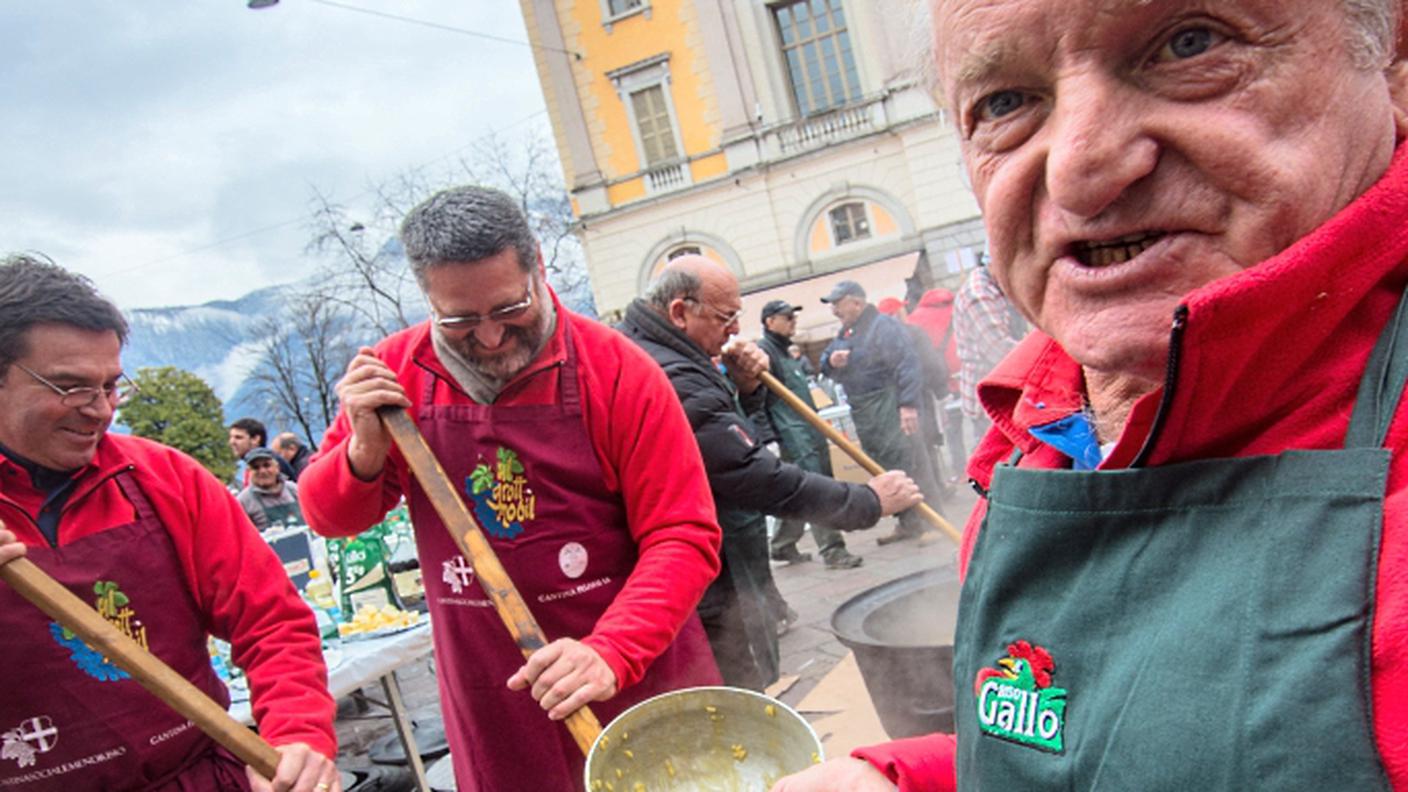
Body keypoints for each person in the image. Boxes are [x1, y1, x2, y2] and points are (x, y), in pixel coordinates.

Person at [773, 0, 1408, 789]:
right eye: (1005, 102)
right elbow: (1092, 740)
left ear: (1393, 54)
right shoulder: (1034, 423)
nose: (1078, 167)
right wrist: (904, 778)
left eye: (1189, 43)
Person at [297, 185, 723, 792]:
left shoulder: (618, 370)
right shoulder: (395, 378)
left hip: (632, 672)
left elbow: (684, 535)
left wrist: (611, 651)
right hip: (492, 692)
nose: (491, 338)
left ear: (537, 266)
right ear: (428, 296)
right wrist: (363, 451)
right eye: (461, 319)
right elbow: (329, 517)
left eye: (508, 309)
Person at [0, 255, 337, 792]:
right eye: (71, 387)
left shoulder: (163, 478)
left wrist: (298, 735)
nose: (101, 410)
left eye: (111, 386)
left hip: (196, 777)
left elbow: (272, 622)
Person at [618, 257, 921, 690]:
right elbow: (751, 472)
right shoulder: (670, 372)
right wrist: (866, 501)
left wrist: (744, 389)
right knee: (740, 683)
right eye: (726, 317)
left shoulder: (664, 352)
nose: (736, 330)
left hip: (715, 552)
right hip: (704, 565)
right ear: (680, 313)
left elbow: (732, 437)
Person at [820, 281, 944, 544]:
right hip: (865, 411)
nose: (834, 311)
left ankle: (934, 522)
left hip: (889, 404)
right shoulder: (846, 332)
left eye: (837, 304)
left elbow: (907, 365)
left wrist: (908, 405)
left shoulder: (883, 326)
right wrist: (831, 362)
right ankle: (908, 523)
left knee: (912, 461)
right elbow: (825, 361)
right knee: (885, 466)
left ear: (856, 302)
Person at [757, 299, 864, 570]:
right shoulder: (765, 353)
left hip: (805, 428)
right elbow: (762, 399)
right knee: (815, 488)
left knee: (794, 489)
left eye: (794, 316)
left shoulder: (784, 352)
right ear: (770, 322)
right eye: (787, 317)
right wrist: (771, 435)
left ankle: (782, 545)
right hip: (794, 432)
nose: (793, 322)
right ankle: (833, 550)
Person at [953, 263, 1024, 445]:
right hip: (989, 401)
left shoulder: (995, 284)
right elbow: (998, 350)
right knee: (1002, 461)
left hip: (1004, 391)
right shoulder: (979, 294)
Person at [908, 287, 969, 482]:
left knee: (952, 428)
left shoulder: (916, 318)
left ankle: (961, 471)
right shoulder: (961, 307)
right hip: (970, 376)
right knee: (981, 425)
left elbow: (922, 356)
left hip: (945, 383)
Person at [237, 447, 304, 530]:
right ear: (249, 472)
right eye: (256, 467)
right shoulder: (243, 501)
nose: (262, 471)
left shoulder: (293, 489)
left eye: (267, 465)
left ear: (277, 468)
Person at [228, 417, 295, 487]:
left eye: (238, 437)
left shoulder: (272, 462)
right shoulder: (250, 466)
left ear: (255, 439)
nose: (232, 442)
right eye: (231, 437)